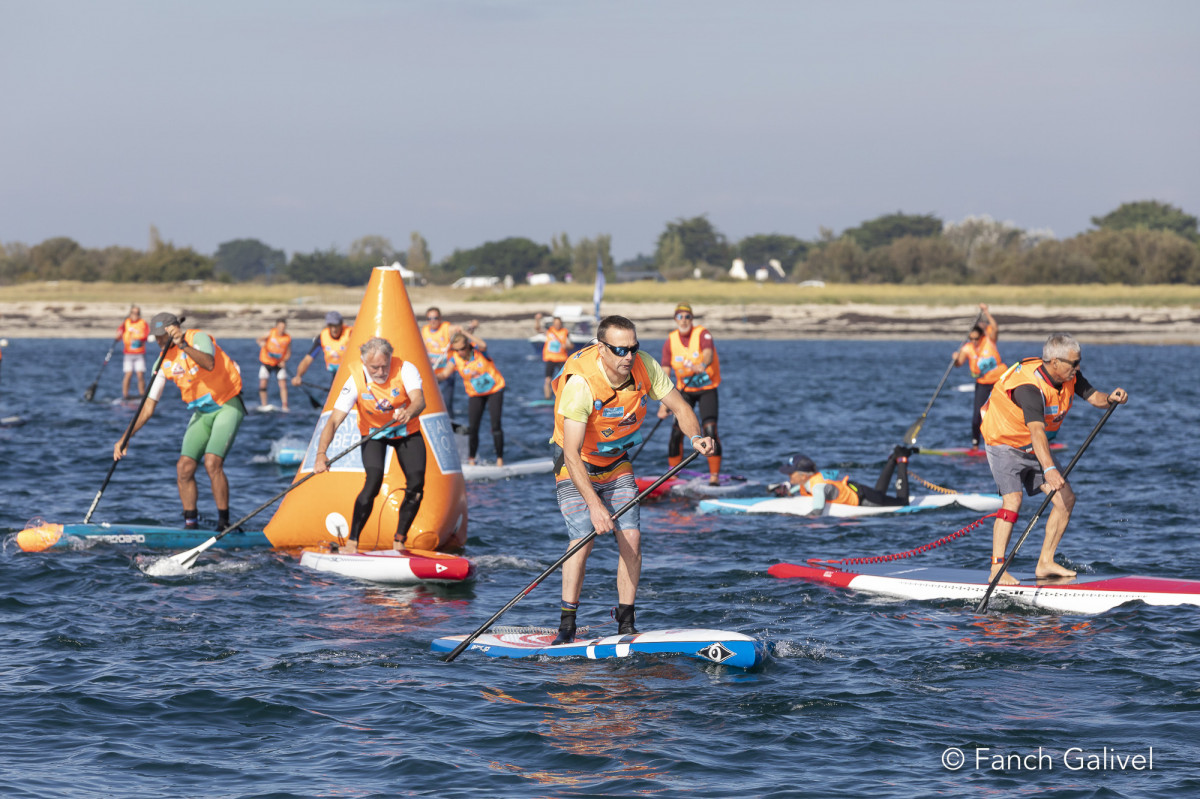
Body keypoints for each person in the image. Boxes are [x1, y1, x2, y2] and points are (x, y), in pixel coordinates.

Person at [549, 315, 715, 644]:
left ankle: (626, 621)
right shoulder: (581, 385)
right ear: (601, 349)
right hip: (575, 464)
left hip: (616, 462)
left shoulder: (644, 366)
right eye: (620, 350)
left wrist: (695, 438)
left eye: (633, 348)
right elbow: (571, 453)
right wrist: (596, 507)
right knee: (584, 538)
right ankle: (567, 624)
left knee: (633, 540)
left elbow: (681, 408)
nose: (628, 356)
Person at [981, 334, 1127, 585]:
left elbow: (1094, 397)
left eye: (1079, 361)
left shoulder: (1070, 376)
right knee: (1013, 500)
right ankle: (996, 568)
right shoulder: (1028, 387)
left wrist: (1110, 398)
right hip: (1004, 443)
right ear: (1055, 362)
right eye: (1074, 363)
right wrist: (1048, 468)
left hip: (1034, 446)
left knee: (1066, 499)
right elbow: (1037, 431)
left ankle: (1045, 562)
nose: (1078, 368)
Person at [113, 313, 246, 530]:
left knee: (212, 463)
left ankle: (224, 523)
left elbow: (209, 363)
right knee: (184, 468)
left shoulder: (197, 338)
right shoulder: (162, 362)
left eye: (160, 336)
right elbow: (147, 407)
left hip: (227, 405)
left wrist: (182, 344)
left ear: (173, 330)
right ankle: (190, 524)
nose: (157, 342)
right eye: (154, 337)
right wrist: (125, 438)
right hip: (202, 413)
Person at [314, 337, 426, 552]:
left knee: (416, 486)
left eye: (385, 365)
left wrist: (408, 412)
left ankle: (399, 541)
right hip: (374, 434)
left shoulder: (405, 369)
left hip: (406, 430)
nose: (381, 371)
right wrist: (321, 454)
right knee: (372, 483)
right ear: (364, 363)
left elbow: (419, 400)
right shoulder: (354, 379)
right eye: (375, 367)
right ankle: (353, 542)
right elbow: (334, 421)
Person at [658, 303, 723, 485]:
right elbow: (664, 373)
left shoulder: (702, 334)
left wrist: (703, 363)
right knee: (676, 432)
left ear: (692, 319)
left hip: (707, 390)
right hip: (684, 391)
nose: (684, 320)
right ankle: (673, 476)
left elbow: (708, 353)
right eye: (680, 316)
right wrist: (663, 403)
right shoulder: (670, 341)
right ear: (675, 319)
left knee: (710, 430)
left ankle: (714, 478)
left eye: (687, 317)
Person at [437, 329, 505, 466]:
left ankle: (499, 459)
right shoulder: (455, 359)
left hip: (495, 390)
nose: (460, 352)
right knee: (473, 427)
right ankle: (471, 459)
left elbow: (483, 344)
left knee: (495, 425)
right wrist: (429, 376)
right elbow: (444, 375)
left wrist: (466, 334)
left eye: (462, 348)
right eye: (456, 350)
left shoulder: (479, 352)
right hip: (476, 394)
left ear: (468, 345)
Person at [770, 448, 914, 509]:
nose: (788, 476)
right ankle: (893, 459)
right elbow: (799, 489)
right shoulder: (808, 481)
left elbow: (817, 510)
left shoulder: (817, 486)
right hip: (857, 490)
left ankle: (901, 460)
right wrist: (787, 491)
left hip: (863, 498)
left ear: (802, 475)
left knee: (902, 503)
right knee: (879, 494)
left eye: (791, 473)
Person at [953, 303, 1007, 447]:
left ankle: (1006, 442)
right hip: (982, 384)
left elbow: (995, 327)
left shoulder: (989, 340)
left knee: (1001, 413)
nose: (974, 341)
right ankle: (976, 444)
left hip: (999, 381)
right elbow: (959, 363)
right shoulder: (968, 348)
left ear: (981, 336)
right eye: (971, 339)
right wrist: (955, 359)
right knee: (977, 415)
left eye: (976, 338)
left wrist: (986, 312)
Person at [291, 311, 354, 388]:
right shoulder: (322, 337)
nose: (334, 329)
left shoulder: (351, 333)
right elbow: (308, 359)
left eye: (336, 325)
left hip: (350, 375)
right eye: (331, 325)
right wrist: (298, 376)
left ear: (341, 324)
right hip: (335, 376)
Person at [420, 307, 457, 421]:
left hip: (446, 372)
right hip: (431, 373)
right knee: (429, 400)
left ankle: (449, 421)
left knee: (446, 401)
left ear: (440, 318)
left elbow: (458, 329)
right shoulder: (424, 330)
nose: (433, 321)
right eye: (429, 318)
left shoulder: (446, 328)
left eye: (435, 318)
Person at [534, 312, 574, 399]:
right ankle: (547, 398)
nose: (557, 325)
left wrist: (566, 346)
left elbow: (571, 345)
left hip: (561, 359)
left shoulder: (565, 332)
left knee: (563, 380)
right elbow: (537, 329)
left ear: (561, 324)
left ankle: (563, 397)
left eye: (558, 323)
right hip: (550, 359)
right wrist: (537, 319)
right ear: (553, 324)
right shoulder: (549, 331)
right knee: (547, 380)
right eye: (555, 323)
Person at [114, 305, 150, 400]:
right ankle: (125, 395)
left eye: (137, 313)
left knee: (140, 374)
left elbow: (147, 336)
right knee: (128, 374)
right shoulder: (126, 323)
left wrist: (140, 339)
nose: (135, 315)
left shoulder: (143, 323)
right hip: (128, 354)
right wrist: (118, 336)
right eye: (133, 313)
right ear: (130, 314)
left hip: (139, 353)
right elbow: (118, 334)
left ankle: (142, 394)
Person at [256, 318, 291, 411]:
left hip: (279, 364)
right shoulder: (270, 333)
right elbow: (259, 340)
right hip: (267, 362)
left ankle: (285, 406)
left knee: (283, 384)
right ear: (276, 327)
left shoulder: (287, 338)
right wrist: (261, 343)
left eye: (283, 327)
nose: (281, 329)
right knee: (263, 384)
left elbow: (288, 353)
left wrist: (284, 361)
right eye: (280, 327)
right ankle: (264, 405)